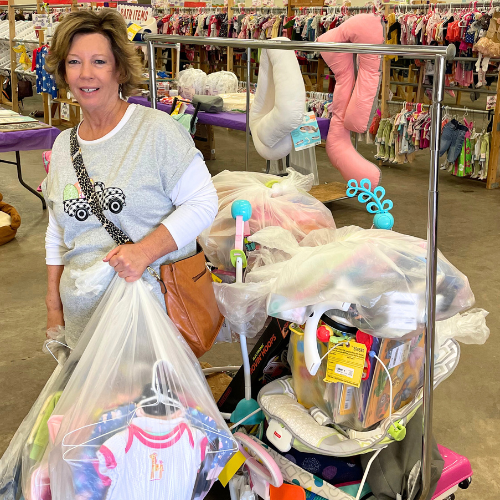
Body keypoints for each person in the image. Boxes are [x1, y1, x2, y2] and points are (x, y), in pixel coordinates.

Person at [42, 9, 218, 349]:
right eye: (74, 62)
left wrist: (144, 252)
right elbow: (57, 230)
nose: (86, 74)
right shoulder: (64, 144)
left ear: (120, 69)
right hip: (84, 324)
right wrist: (54, 306)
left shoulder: (156, 131)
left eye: (99, 62)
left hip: (151, 323)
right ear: (63, 70)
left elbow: (202, 202)